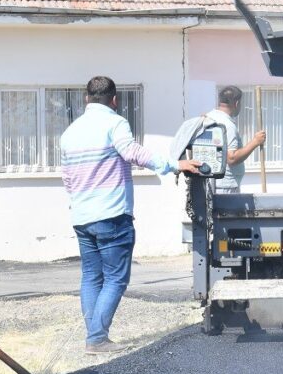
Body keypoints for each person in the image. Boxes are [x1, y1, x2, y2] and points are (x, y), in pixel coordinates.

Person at [59, 76, 200, 354]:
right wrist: (174, 164)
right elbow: (132, 152)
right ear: (114, 100)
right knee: (115, 278)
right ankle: (97, 338)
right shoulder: (115, 123)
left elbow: (67, 178)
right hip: (111, 214)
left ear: (86, 99)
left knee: (91, 277)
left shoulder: (69, 133)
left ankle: (94, 334)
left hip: (82, 215)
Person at [205, 86, 266, 193]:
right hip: (225, 186)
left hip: (212, 183)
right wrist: (255, 142)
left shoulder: (209, 117)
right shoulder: (227, 125)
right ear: (237, 103)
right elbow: (231, 158)